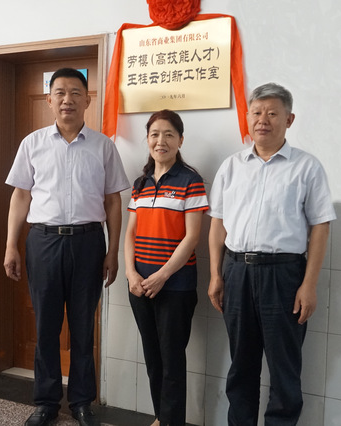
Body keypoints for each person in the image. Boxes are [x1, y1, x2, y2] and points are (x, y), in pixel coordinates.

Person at [4, 68, 129, 426]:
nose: (67, 99)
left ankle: (81, 402)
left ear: (87, 99)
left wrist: (112, 251)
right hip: (43, 241)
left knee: (83, 325)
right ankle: (46, 402)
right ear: (49, 100)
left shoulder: (103, 146)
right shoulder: (32, 144)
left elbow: (113, 201)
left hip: (89, 243)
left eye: (75, 92)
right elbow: (21, 196)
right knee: (46, 325)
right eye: (59, 92)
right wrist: (12, 245)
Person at [207, 83, 336, 426]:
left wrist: (309, 285)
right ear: (248, 117)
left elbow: (320, 227)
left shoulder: (306, 168)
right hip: (237, 272)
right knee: (241, 366)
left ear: (289, 119)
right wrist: (216, 275)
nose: (263, 119)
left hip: (284, 275)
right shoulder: (232, 166)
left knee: (284, 368)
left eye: (272, 113)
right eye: (257, 112)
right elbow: (218, 224)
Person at [124, 110, 208, 426]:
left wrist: (161, 275)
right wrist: (131, 273)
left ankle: (171, 421)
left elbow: (192, 237)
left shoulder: (190, 180)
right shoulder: (141, 183)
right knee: (153, 358)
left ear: (180, 140)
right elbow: (130, 234)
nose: (161, 141)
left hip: (175, 286)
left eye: (169, 134)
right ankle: (162, 417)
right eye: (155, 134)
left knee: (172, 360)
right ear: (147, 140)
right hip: (140, 287)